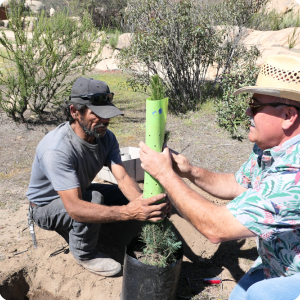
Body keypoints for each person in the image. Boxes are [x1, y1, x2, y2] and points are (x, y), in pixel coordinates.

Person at [139, 55, 300, 300]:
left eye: (255, 105)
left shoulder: (293, 175)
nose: (247, 111)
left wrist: (165, 174)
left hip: (292, 274)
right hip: (276, 262)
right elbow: (238, 183)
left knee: (259, 294)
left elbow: (216, 228)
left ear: (289, 116)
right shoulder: (272, 148)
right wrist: (190, 171)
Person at [26, 77, 170, 277]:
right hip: (45, 207)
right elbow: (75, 207)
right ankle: (84, 253)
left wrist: (143, 204)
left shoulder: (105, 137)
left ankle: (105, 226)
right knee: (94, 199)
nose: (105, 121)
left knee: (119, 195)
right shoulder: (57, 149)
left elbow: (122, 178)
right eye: (97, 114)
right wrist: (128, 212)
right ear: (74, 112)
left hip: (76, 192)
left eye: (108, 115)